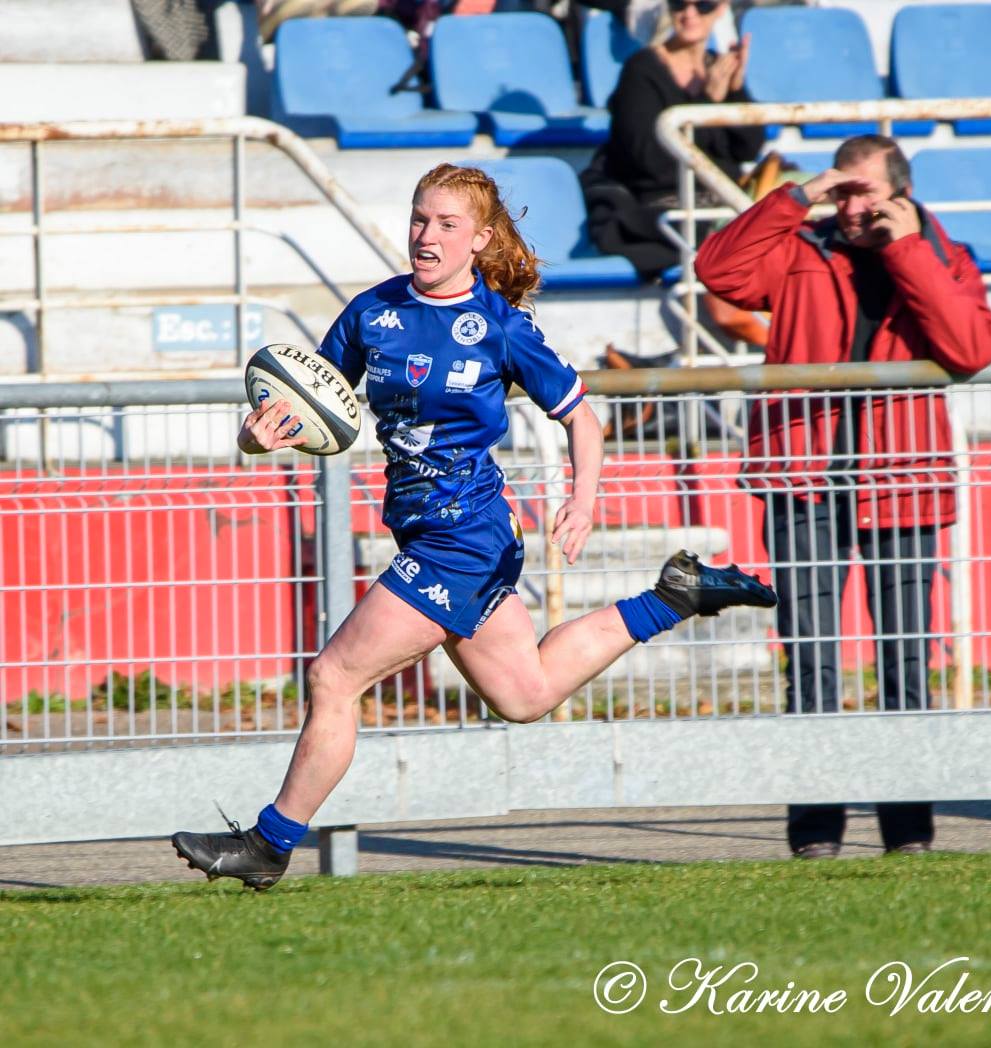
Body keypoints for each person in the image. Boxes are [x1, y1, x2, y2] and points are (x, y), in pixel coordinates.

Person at [171, 163, 775, 890]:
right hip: (434, 537)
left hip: (465, 539)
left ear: (480, 239)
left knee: (333, 675)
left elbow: (583, 419)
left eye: (446, 224)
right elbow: (310, 405)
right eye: (419, 219)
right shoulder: (372, 313)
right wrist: (257, 436)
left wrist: (582, 501)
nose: (425, 235)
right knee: (525, 695)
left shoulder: (499, 325)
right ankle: (675, 596)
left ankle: (270, 846)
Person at [694, 134, 991, 859]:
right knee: (809, 660)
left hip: (902, 485)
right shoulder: (802, 243)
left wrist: (905, 252)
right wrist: (799, 195)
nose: (851, 205)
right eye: (843, 189)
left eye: (865, 191)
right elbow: (719, 271)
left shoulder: (942, 254)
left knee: (904, 663)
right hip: (801, 481)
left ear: (901, 192)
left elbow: (969, 349)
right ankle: (815, 835)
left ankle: (908, 835)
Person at [579, 0, 769, 344]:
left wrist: (735, 90)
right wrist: (708, 106)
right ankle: (765, 341)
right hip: (659, 208)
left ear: (721, 8)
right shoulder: (641, 70)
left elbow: (748, 148)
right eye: (680, 3)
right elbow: (652, 165)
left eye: (704, 4)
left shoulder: (718, 67)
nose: (690, 13)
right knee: (729, 244)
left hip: (715, 204)